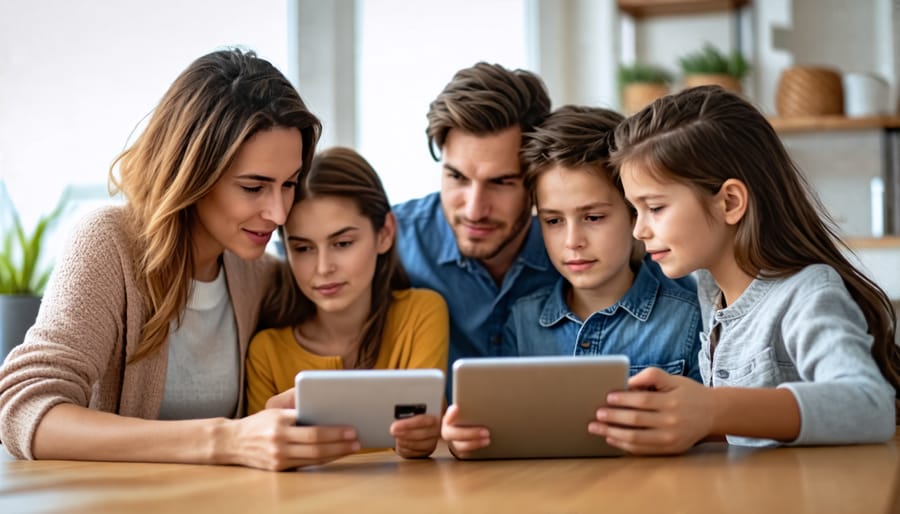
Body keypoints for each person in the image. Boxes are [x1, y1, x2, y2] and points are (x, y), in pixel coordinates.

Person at [0, 49, 362, 471]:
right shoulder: (108, 243)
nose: (279, 214)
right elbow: (23, 407)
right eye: (253, 187)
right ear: (192, 172)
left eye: (289, 184)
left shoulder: (256, 272)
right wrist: (226, 439)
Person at [588, 85, 899, 453]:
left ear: (730, 203)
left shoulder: (807, 293)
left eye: (655, 208)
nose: (640, 230)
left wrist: (710, 410)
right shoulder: (708, 287)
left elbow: (869, 405)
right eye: (635, 211)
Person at [441, 105, 703, 456]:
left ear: (634, 214)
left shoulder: (688, 316)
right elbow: (496, 431)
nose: (572, 241)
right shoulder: (522, 320)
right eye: (553, 221)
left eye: (593, 217)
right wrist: (464, 439)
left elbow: (710, 433)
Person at [247, 146, 449, 459]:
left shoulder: (421, 313)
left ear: (385, 233)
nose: (323, 267)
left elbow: (425, 436)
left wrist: (423, 439)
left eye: (342, 243)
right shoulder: (266, 352)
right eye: (303, 248)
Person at [392, 62, 560, 394]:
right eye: (457, 177)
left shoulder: (575, 247)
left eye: (500, 182)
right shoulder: (391, 241)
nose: (474, 209)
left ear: (535, 180)